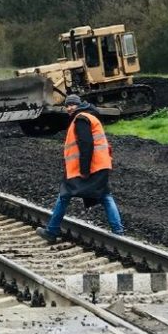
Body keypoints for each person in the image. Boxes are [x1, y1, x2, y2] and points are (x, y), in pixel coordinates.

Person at [36, 94, 124, 242]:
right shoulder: (88, 116)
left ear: (79, 105)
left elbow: (86, 145)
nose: (69, 108)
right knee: (105, 196)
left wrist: (84, 170)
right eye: (67, 105)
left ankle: (51, 231)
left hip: (90, 167)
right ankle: (119, 233)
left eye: (72, 105)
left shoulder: (81, 119)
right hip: (99, 165)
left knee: (64, 196)